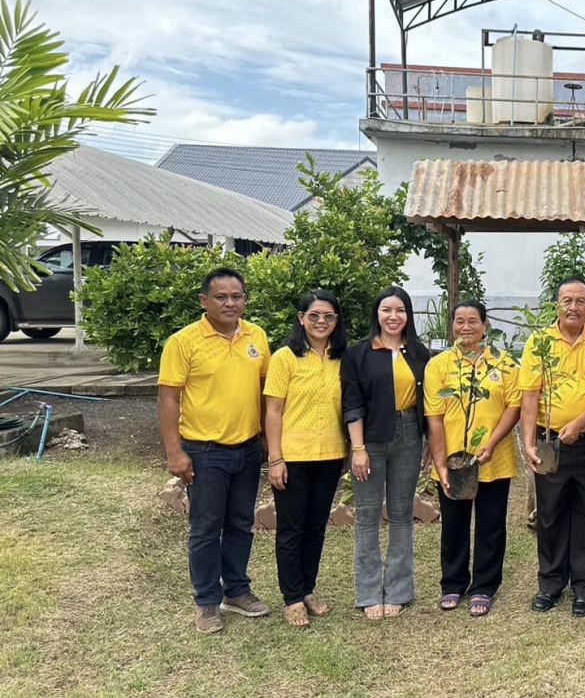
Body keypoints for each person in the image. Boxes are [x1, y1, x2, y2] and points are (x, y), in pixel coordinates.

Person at [158, 267, 271, 634]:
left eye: (237, 296)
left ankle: (237, 590)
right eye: (221, 297)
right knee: (206, 528)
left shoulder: (256, 336)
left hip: (248, 449)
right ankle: (207, 602)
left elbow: (265, 389)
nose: (230, 303)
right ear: (204, 301)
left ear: (245, 300)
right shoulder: (184, 341)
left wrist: (269, 442)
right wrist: (175, 452)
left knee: (241, 523)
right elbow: (169, 399)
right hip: (205, 451)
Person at [520, 278, 585, 618]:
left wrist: (578, 423)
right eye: (567, 300)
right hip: (550, 442)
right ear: (556, 304)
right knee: (550, 514)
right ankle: (550, 583)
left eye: (580, 300)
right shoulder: (539, 342)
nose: (573, 306)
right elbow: (529, 394)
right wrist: (529, 441)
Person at [425, 300, 521, 618]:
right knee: (454, 523)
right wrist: (440, 462)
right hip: (453, 459)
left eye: (473, 321)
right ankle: (452, 582)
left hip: (494, 458)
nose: (466, 327)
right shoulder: (439, 366)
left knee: (491, 524)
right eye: (459, 321)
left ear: (485, 326)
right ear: (451, 325)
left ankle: (484, 586)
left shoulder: (503, 364)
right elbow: (434, 418)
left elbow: (513, 406)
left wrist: (491, 443)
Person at [341, 286, 430, 620]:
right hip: (370, 439)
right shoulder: (359, 353)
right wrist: (358, 448)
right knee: (366, 515)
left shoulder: (419, 353)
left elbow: (430, 405)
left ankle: (398, 589)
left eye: (401, 310)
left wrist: (430, 445)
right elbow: (352, 402)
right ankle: (367, 592)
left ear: (408, 315)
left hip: (409, 435)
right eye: (386, 310)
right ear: (376, 314)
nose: (394, 317)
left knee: (402, 513)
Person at [263, 290, 348, 628]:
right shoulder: (285, 357)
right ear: (301, 318)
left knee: (316, 527)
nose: (321, 322)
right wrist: (275, 458)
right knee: (291, 528)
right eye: (314, 315)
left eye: (328, 316)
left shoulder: (342, 358)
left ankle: (308, 588)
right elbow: (272, 410)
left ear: (336, 321)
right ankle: (292, 597)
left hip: (329, 454)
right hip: (293, 457)